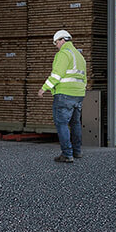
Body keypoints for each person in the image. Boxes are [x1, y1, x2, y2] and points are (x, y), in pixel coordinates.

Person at [35, 29, 87, 163]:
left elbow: (56, 75)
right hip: (78, 95)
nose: (56, 45)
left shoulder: (63, 54)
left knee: (62, 123)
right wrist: (80, 91)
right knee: (75, 123)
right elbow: (84, 78)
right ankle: (77, 151)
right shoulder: (79, 56)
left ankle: (67, 154)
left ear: (63, 40)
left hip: (64, 94)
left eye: (56, 42)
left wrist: (44, 88)